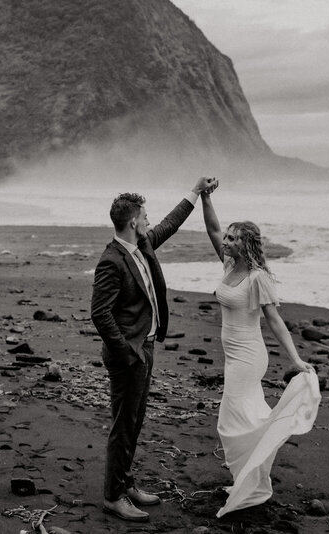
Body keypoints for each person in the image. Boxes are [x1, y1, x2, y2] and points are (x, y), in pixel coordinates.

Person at [91, 176, 218, 523]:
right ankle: (113, 496)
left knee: (135, 421)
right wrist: (127, 352)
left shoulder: (143, 245)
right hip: (128, 355)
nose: (149, 221)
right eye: (144, 217)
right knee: (123, 424)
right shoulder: (112, 261)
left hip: (145, 347)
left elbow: (171, 224)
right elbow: (99, 313)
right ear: (133, 221)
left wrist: (195, 192)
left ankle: (125, 482)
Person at [200, 182, 322, 518]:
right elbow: (211, 227)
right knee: (245, 417)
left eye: (233, 239)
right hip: (233, 356)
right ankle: (247, 478)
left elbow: (276, 322)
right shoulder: (229, 266)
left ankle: (250, 482)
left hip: (249, 357)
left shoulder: (257, 278)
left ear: (246, 244)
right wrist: (205, 197)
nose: (225, 241)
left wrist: (295, 359)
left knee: (231, 420)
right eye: (226, 238)